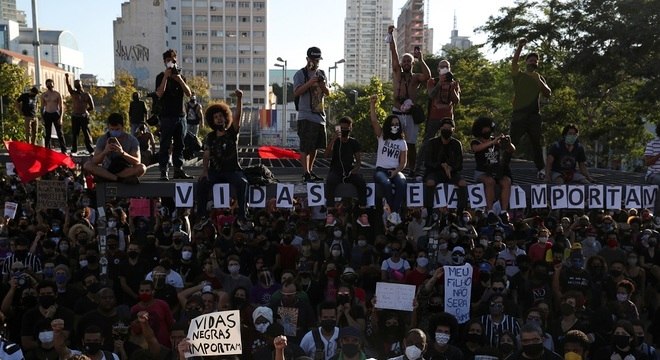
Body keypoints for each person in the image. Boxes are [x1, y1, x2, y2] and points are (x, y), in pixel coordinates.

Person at [195, 89, 249, 227]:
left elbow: (238, 117)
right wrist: (205, 171)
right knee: (202, 184)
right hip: (215, 171)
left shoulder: (232, 133)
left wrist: (239, 99)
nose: (219, 119)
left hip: (232, 171)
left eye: (221, 116)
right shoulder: (210, 137)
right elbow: (206, 155)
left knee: (242, 183)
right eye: (216, 117)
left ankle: (242, 217)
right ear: (212, 120)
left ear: (225, 117)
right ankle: (202, 216)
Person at [388, 25, 431, 176]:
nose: (406, 63)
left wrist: (421, 59)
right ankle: (394, 167)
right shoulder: (397, 74)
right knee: (394, 141)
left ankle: (412, 169)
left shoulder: (415, 78)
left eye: (408, 62)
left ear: (412, 64)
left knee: (411, 143)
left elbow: (427, 76)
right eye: (404, 61)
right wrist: (391, 36)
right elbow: (393, 54)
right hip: (397, 112)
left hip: (411, 115)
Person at [506, 38, 552, 180]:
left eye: (535, 61)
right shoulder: (519, 76)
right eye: (531, 60)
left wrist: (538, 80)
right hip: (519, 115)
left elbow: (548, 93)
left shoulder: (538, 77)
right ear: (526, 62)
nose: (533, 62)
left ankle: (541, 169)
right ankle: (503, 167)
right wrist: (520, 47)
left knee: (535, 143)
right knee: (512, 141)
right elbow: (514, 64)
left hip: (533, 116)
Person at [415, 59, 460, 177]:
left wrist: (453, 88)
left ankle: (450, 167)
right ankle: (417, 167)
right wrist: (440, 83)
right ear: (438, 69)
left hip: (448, 118)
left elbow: (456, 101)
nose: (444, 68)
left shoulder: (454, 83)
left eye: (446, 67)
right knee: (427, 142)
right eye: (442, 67)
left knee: (449, 143)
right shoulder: (433, 81)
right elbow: (431, 95)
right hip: (434, 117)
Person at [155, 48, 193, 181]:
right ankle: (163, 171)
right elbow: (159, 94)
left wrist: (179, 79)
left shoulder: (181, 77)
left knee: (180, 144)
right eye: (168, 61)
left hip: (180, 115)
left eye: (173, 61)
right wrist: (166, 76)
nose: (171, 63)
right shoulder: (160, 77)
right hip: (166, 116)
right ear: (164, 62)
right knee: (165, 144)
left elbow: (189, 93)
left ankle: (178, 169)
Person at [293, 46, 330, 183]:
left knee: (314, 147)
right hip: (305, 115)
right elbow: (296, 92)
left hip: (319, 116)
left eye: (318, 60)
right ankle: (305, 172)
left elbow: (328, 93)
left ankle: (310, 170)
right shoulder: (300, 74)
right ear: (307, 59)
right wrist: (309, 82)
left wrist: (321, 84)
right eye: (313, 60)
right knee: (305, 146)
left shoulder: (322, 73)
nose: (316, 62)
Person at [370, 94, 408, 216]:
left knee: (402, 183)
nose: (395, 126)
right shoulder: (382, 136)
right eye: (392, 124)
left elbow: (403, 163)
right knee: (385, 183)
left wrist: (396, 172)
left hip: (395, 170)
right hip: (381, 170)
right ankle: (392, 211)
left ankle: (395, 212)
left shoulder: (402, 142)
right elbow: (374, 121)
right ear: (388, 125)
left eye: (397, 124)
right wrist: (372, 105)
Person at [423, 118, 466, 223]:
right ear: (440, 129)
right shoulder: (432, 143)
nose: (446, 130)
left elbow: (459, 164)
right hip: (435, 172)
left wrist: (450, 168)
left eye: (449, 128)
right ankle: (429, 214)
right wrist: (441, 165)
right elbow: (427, 162)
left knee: (463, 183)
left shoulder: (456, 144)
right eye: (444, 128)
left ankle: (460, 215)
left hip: (452, 173)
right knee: (430, 183)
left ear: (453, 130)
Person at [83, 113, 146, 184]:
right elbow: (95, 161)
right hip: (107, 169)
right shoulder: (103, 139)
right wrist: (105, 152)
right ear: (108, 128)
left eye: (117, 129)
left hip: (124, 170)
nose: (115, 132)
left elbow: (137, 161)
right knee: (87, 165)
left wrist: (122, 153)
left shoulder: (132, 140)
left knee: (142, 168)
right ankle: (118, 179)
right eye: (112, 129)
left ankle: (108, 178)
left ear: (123, 127)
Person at [471, 117, 515, 213]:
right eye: (485, 128)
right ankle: (490, 210)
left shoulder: (495, 140)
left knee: (507, 181)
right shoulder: (476, 142)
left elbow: (511, 150)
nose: (487, 131)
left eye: (488, 128)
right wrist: (492, 142)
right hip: (482, 172)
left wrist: (508, 143)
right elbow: (476, 149)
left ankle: (504, 210)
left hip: (496, 171)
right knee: (490, 181)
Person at [324, 116, 367, 210]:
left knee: (361, 182)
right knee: (330, 181)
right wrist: (334, 139)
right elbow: (326, 155)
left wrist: (356, 169)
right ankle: (330, 210)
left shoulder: (354, 142)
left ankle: (363, 209)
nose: (344, 130)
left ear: (350, 128)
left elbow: (358, 161)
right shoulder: (335, 142)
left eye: (346, 128)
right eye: (342, 128)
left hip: (349, 171)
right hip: (336, 171)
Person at [65, 73, 95, 154]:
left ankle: (90, 149)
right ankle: (74, 149)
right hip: (75, 116)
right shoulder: (73, 93)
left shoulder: (86, 95)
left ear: (81, 84)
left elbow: (92, 106)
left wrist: (85, 111)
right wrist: (67, 78)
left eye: (78, 83)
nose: (76, 85)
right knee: (75, 133)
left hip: (84, 116)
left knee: (86, 133)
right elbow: (68, 86)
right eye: (75, 83)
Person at [41, 78, 67, 153]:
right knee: (48, 134)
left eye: (51, 84)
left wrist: (61, 117)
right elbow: (42, 107)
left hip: (55, 113)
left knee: (60, 133)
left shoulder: (57, 94)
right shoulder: (44, 95)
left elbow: (61, 106)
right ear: (46, 85)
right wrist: (42, 118)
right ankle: (47, 150)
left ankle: (63, 150)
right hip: (47, 114)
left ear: (53, 84)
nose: (49, 85)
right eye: (48, 84)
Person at [644, 124, 660, 210]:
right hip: (653, 174)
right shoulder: (652, 144)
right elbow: (647, 163)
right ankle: (657, 214)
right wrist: (659, 155)